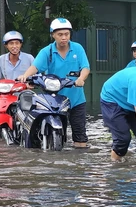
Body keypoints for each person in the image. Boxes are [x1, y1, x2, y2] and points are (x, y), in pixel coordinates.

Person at [18, 18, 90, 148]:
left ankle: (79, 162)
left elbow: (85, 67)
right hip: (54, 100)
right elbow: (35, 67)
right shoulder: (47, 51)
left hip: (76, 99)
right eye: (60, 34)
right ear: (53, 35)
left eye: (66, 34)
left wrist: (81, 79)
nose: (64, 38)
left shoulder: (78, 49)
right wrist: (25, 76)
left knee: (80, 136)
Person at [0, 31, 35, 119]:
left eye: (17, 43)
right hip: (6, 95)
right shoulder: (1, 59)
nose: (14, 46)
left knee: (32, 115)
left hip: (25, 94)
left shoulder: (29, 58)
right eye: (11, 43)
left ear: (21, 44)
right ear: (6, 45)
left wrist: (30, 83)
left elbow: (37, 77)